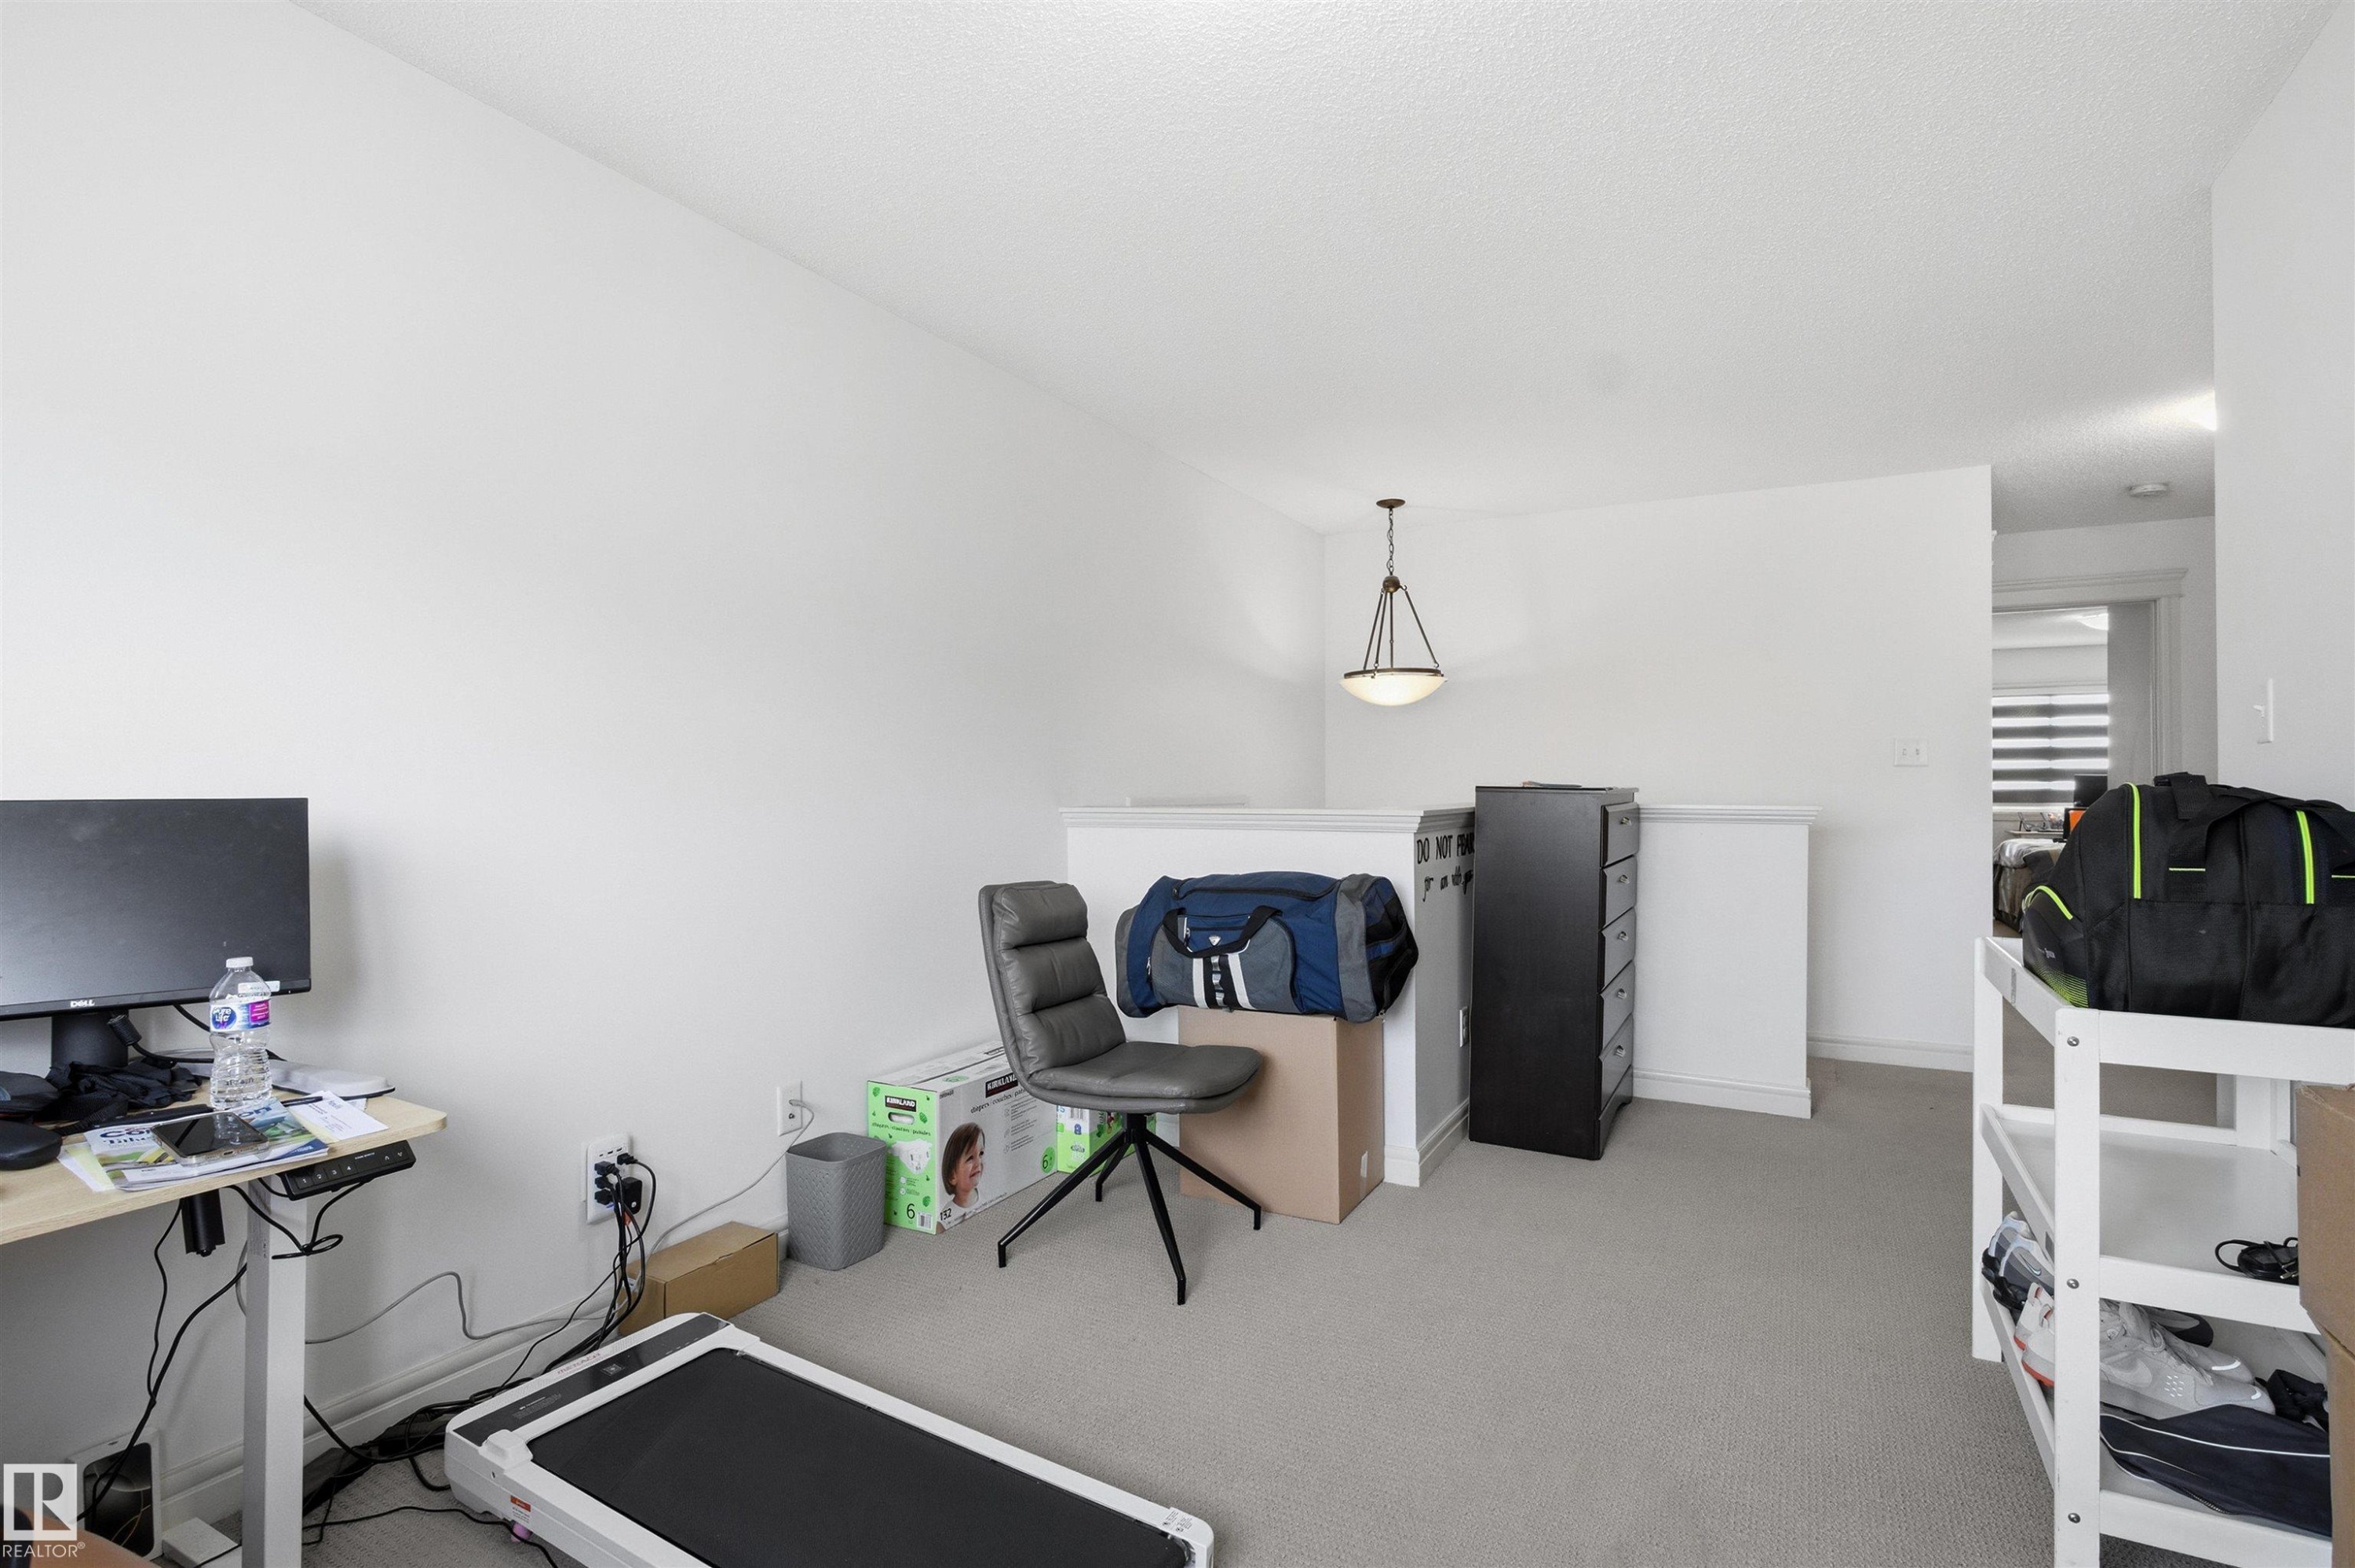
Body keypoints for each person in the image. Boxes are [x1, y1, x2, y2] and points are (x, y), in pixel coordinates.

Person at [941, 1122, 985, 1211]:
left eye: (981, 1154)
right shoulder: (947, 1214)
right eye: (970, 1158)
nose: (978, 1163)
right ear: (952, 1176)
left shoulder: (988, 1198)